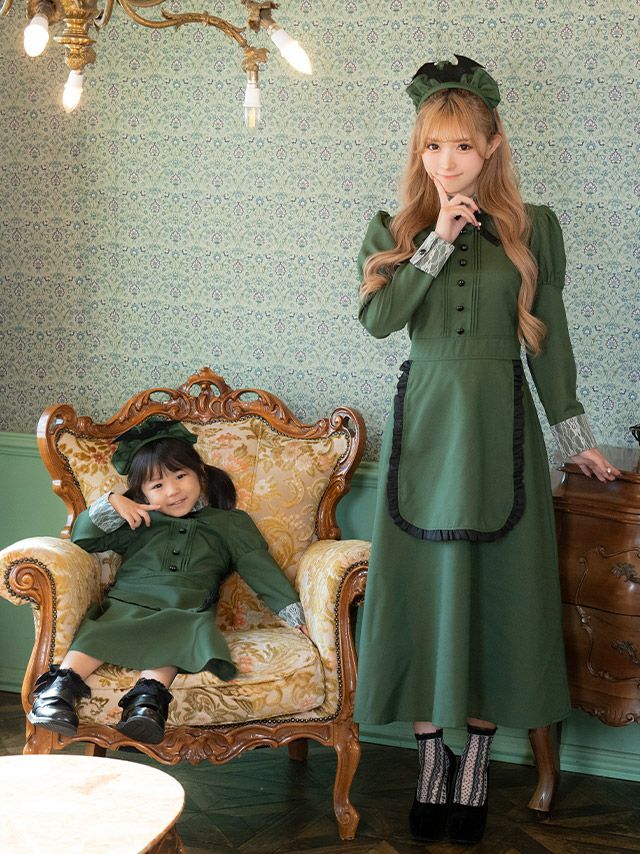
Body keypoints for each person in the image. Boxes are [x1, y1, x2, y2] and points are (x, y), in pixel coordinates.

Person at [353, 55, 620, 845]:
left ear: (493, 145)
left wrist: (576, 439)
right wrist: (435, 241)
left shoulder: (534, 228)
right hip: (426, 431)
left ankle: (474, 762)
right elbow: (380, 322)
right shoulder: (393, 229)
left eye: (463, 146)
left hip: (503, 433)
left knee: (496, 594)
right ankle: (430, 761)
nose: (447, 162)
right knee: (426, 592)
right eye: (433, 146)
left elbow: (550, 342)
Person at [27, 417, 307, 745]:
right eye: (157, 485)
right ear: (142, 493)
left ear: (200, 474)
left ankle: (147, 702)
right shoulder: (139, 519)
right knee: (101, 628)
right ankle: (59, 690)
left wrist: (293, 613)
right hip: (128, 601)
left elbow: (258, 566)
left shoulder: (230, 523)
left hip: (186, 607)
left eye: (180, 476)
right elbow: (83, 539)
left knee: (182, 633)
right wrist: (113, 503)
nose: (173, 491)